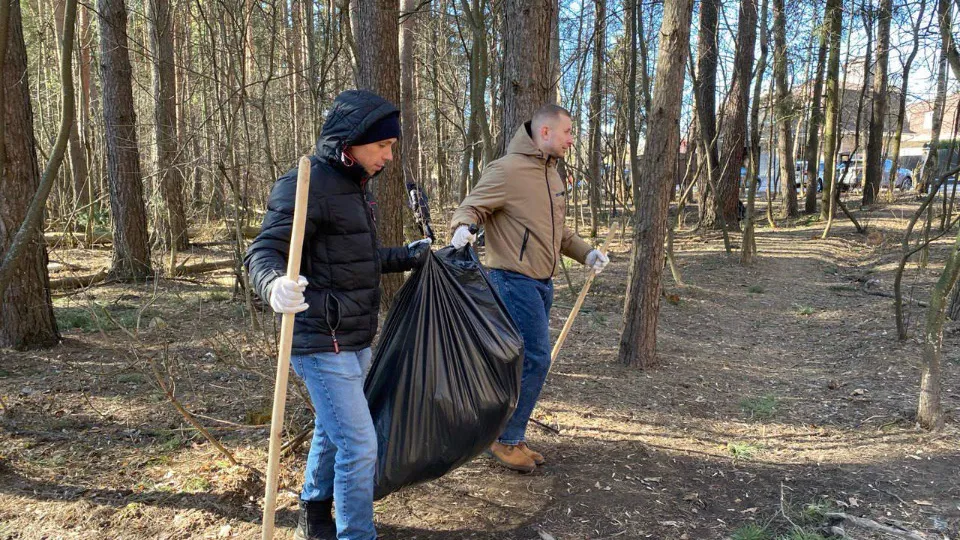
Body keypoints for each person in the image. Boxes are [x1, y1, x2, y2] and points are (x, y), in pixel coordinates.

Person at [245, 89, 431, 540]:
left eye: (391, 147)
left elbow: (357, 262)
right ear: (352, 142)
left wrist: (409, 255)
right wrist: (273, 285)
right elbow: (263, 251)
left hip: (354, 337)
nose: (388, 157)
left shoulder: (355, 189)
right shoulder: (305, 183)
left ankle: (315, 511)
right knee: (360, 445)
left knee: (333, 432)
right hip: (319, 340)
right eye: (382, 146)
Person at [449, 104, 610, 473]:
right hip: (511, 280)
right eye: (568, 132)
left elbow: (558, 232)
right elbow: (471, 207)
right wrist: (463, 227)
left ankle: (510, 435)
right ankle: (505, 440)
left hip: (541, 283)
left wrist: (587, 255)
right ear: (546, 133)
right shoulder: (507, 170)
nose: (572, 139)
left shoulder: (553, 175)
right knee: (537, 358)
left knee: (523, 363)